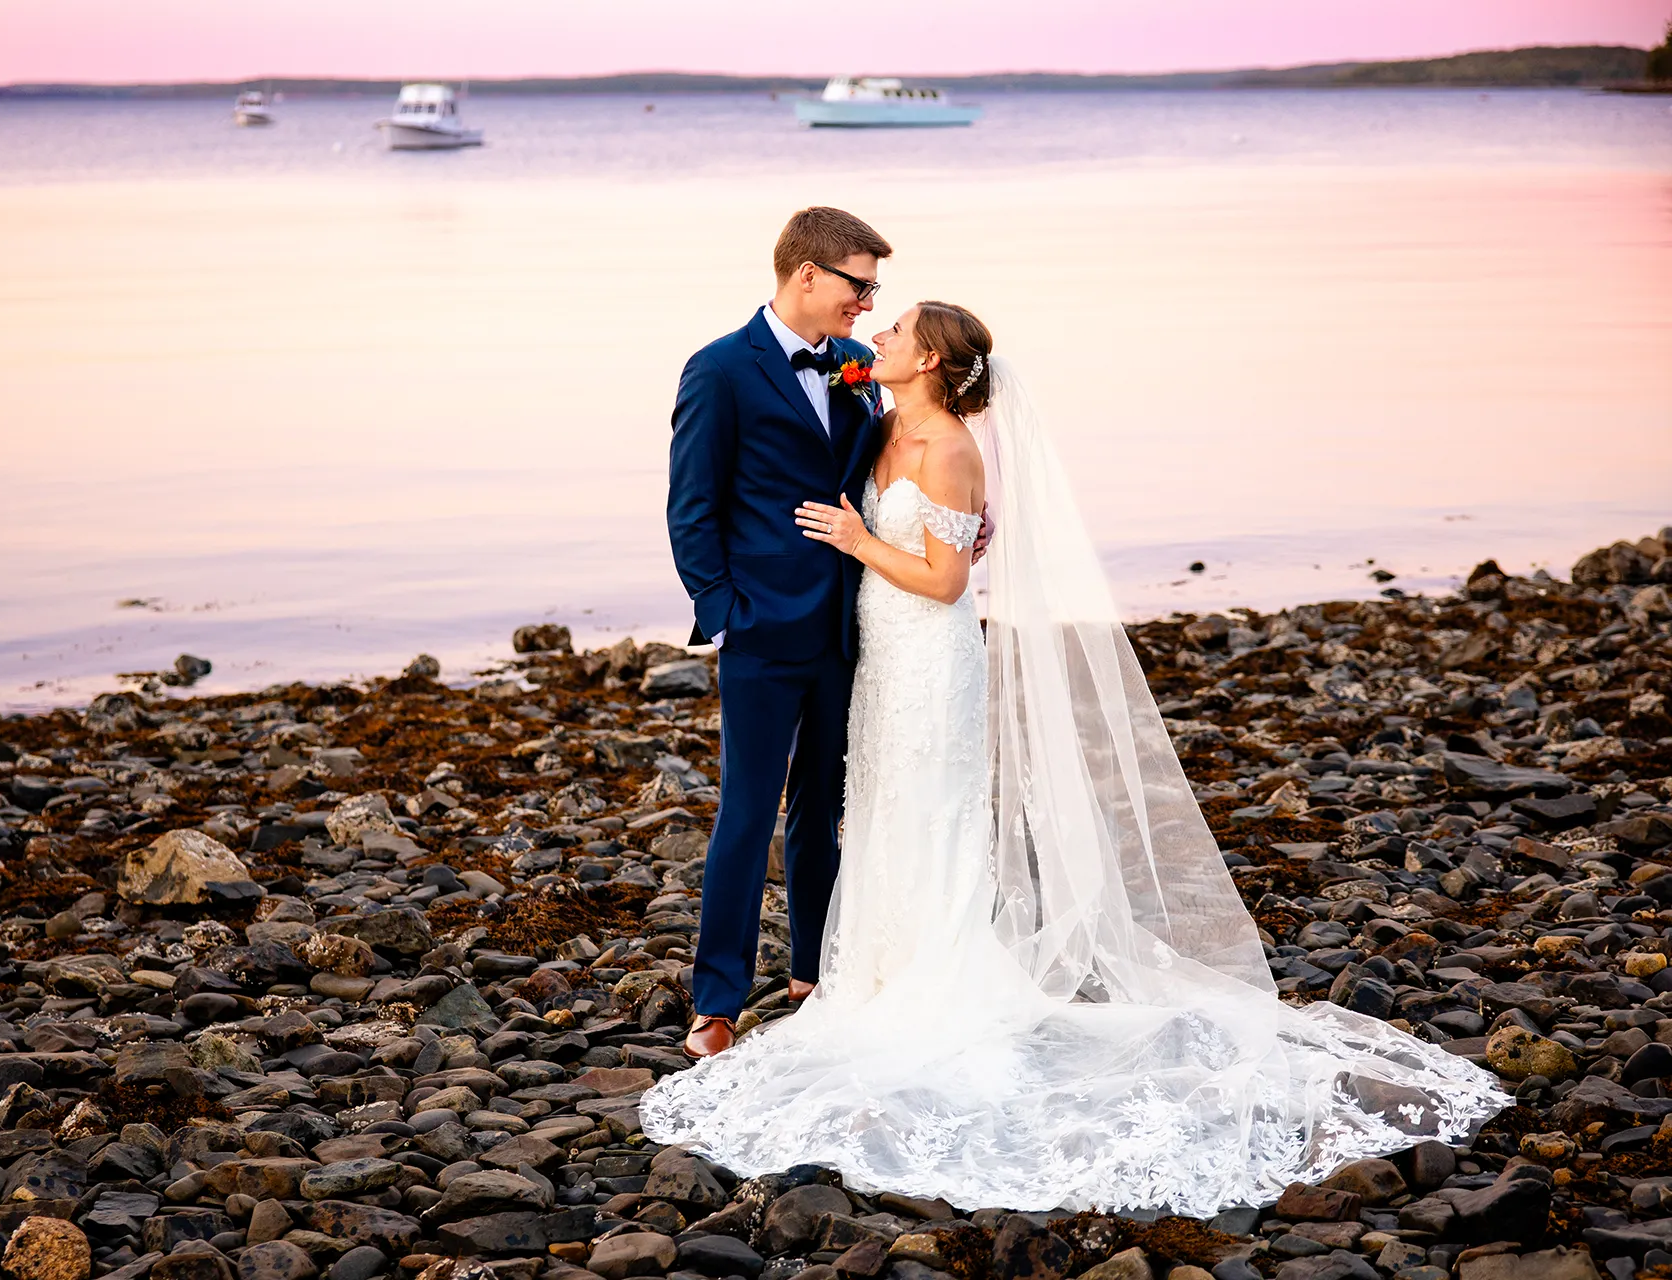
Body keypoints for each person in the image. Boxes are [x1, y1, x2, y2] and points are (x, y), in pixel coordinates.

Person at [642, 299, 1508, 1215]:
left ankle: (899, 974)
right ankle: (822, 979)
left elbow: (942, 578)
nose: (872, 329)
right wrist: (735, 602)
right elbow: (718, 497)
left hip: (925, 655)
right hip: (854, 645)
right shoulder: (866, 402)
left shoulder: (946, 443)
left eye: (891, 326)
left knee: (913, 811)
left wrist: (875, 539)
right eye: (867, 301)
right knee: (874, 809)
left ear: (930, 359)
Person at [666, 206, 915, 1061]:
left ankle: (814, 972)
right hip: (763, 631)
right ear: (807, 274)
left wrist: (949, 527)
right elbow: (691, 508)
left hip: (851, 625)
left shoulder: (856, 367)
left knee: (824, 812)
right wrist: (726, 610)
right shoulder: (721, 370)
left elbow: (884, 472)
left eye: (874, 287)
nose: (868, 302)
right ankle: (717, 1000)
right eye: (860, 283)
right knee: (745, 813)